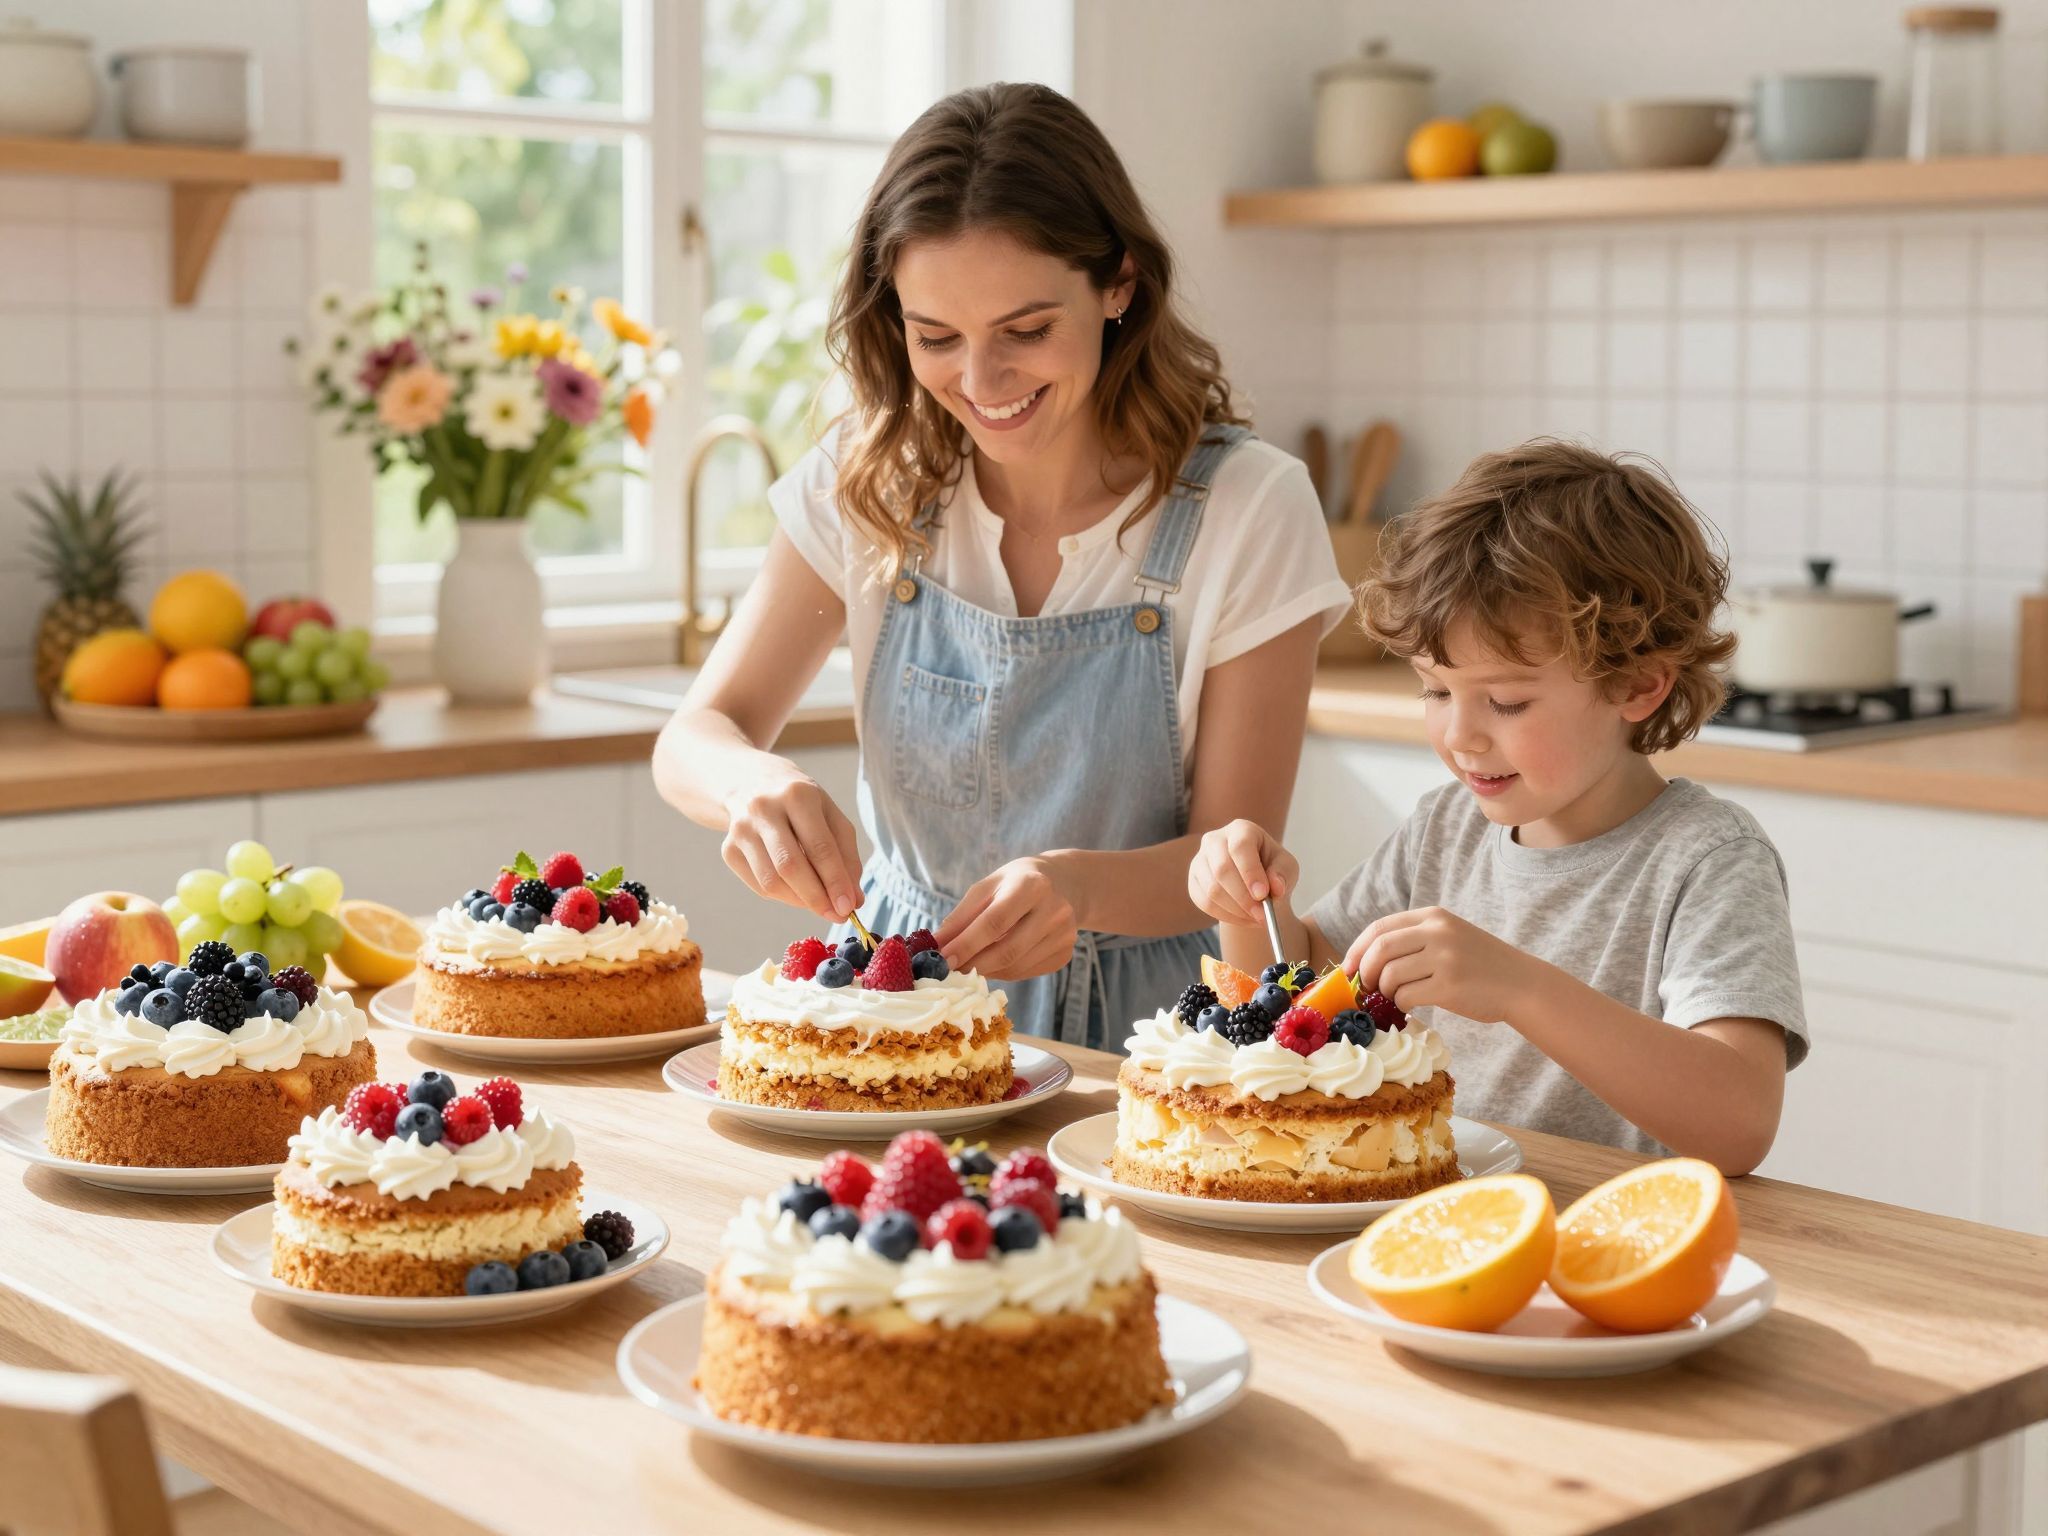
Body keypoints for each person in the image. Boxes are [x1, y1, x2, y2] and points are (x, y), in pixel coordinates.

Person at [654, 83, 1351, 1046]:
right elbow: (696, 733)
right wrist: (750, 785)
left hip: (1144, 1038)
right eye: (935, 337)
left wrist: (1078, 886)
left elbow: (1236, 859)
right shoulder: (870, 480)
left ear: (1120, 286)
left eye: (1026, 331)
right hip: (893, 1020)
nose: (980, 386)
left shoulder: (1249, 508)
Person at [1188, 440, 1807, 1172]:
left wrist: (1518, 987)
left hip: (1594, 1248)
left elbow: (1738, 1124)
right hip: (1433, 1220)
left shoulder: (1707, 860)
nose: (1459, 735)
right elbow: (1293, 1009)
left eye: (1507, 701)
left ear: (1639, 685)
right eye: (1436, 691)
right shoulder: (1445, 828)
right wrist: (1243, 902)